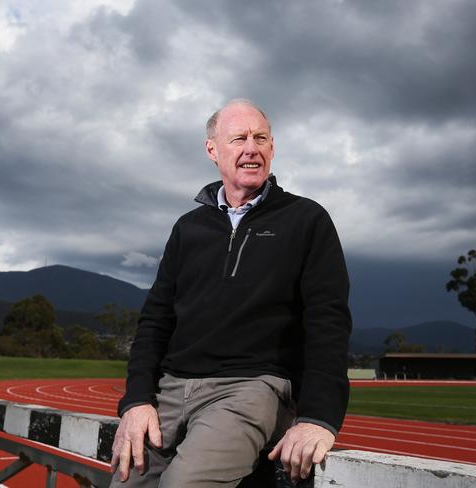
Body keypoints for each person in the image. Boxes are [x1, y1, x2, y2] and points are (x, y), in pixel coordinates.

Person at [110, 99, 351, 487]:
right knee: (127, 482)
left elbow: (328, 322)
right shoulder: (188, 228)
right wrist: (137, 401)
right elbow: (156, 320)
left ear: (273, 147)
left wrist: (317, 418)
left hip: (250, 388)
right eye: (238, 138)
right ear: (213, 150)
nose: (251, 148)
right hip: (172, 389)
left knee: (182, 486)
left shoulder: (307, 220)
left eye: (260, 138)